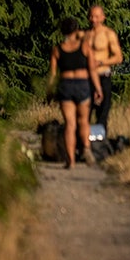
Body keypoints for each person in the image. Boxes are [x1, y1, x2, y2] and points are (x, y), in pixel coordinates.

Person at [49, 17, 103, 168]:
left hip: (65, 85)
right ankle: (86, 148)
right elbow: (92, 70)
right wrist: (98, 89)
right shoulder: (85, 47)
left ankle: (70, 161)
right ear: (76, 30)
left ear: (62, 31)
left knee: (70, 124)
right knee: (83, 121)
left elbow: (53, 74)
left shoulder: (57, 49)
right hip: (82, 85)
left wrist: (49, 91)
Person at [84, 4, 123, 130]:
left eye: (96, 16)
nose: (93, 19)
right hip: (87, 78)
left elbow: (118, 57)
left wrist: (101, 62)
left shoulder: (108, 34)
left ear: (103, 17)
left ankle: (102, 141)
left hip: (103, 75)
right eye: (91, 16)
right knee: (85, 113)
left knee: (102, 114)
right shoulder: (86, 35)